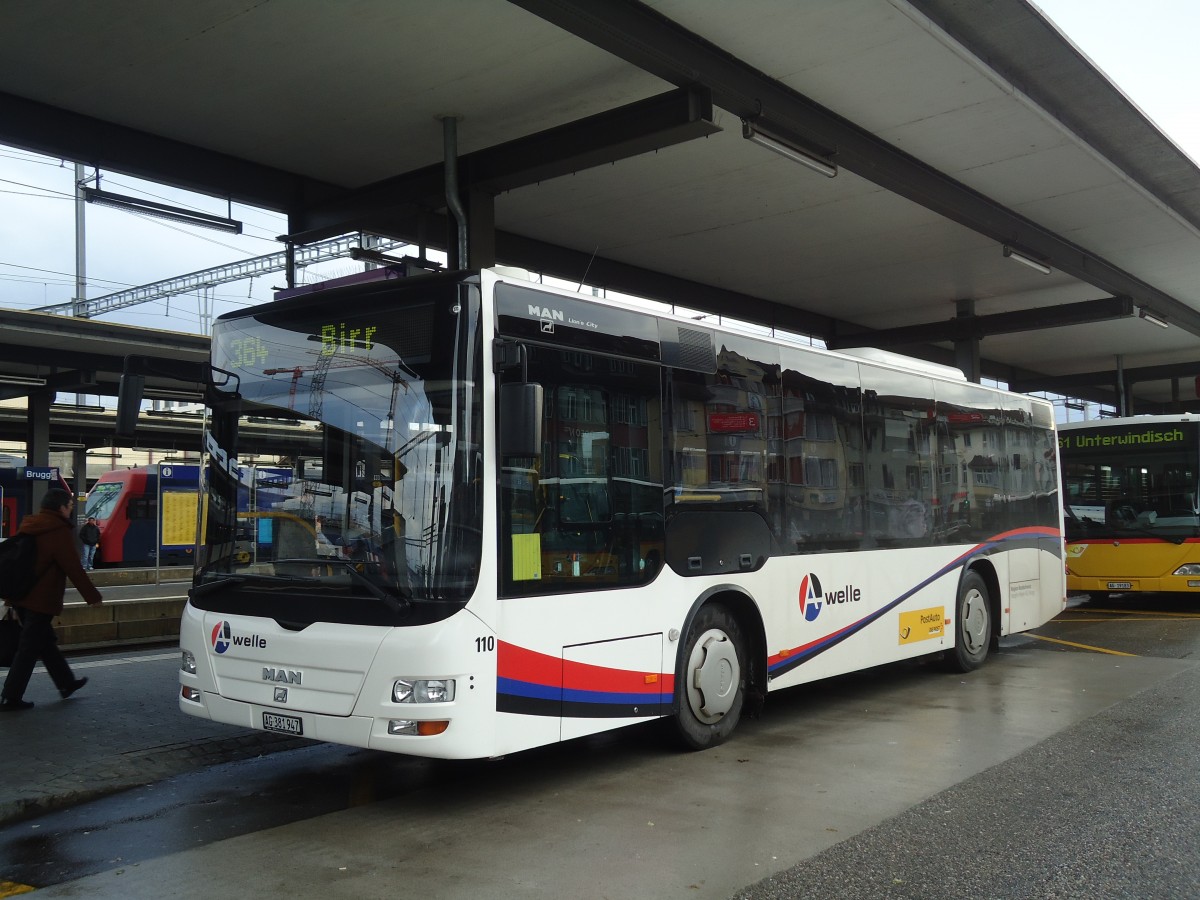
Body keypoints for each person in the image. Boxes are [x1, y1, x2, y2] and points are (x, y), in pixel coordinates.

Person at [1, 487, 103, 712]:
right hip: (40, 601)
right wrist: (92, 597)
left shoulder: (31, 525)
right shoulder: (57, 531)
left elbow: (18, 562)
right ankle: (11, 696)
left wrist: (10, 599)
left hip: (23, 597)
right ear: (60, 507)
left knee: (45, 643)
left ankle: (66, 683)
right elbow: (73, 567)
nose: (70, 510)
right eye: (69, 506)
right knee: (27, 649)